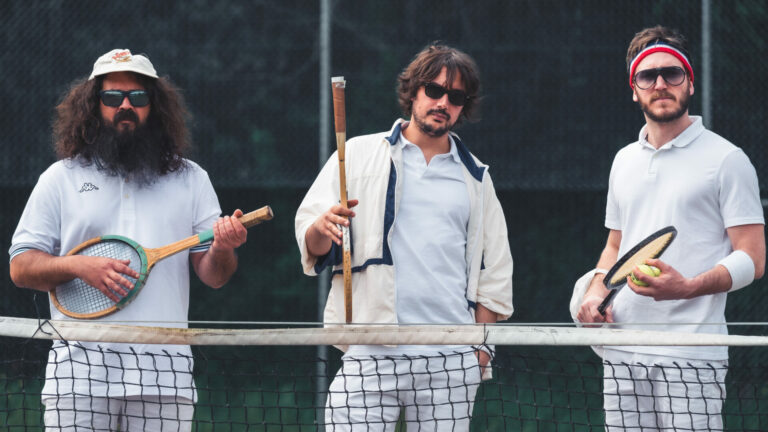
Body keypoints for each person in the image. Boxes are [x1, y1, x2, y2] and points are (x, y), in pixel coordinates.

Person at [9, 49, 249, 431]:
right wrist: (77, 266)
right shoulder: (59, 178)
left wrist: (223, 247)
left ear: (155, 106)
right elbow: (21, 266)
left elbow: (214, 275)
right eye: (112, 97)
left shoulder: (191, 178)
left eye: (137, 97)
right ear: (92, 104)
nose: (125, 106)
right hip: (77, 379)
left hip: (164, 380)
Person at [295, 44, 513, 430]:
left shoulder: (477, 177)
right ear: (413, 91)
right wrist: (321, 228)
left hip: (450, 356)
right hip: (370, 348)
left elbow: (496, 269)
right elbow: (312, 243)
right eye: (434, 90)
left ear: (464, 106)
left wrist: (480, 347)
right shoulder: (357, 155)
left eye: (456, 96)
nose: (443, 101)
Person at [576, 26, 765, 430]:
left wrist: (689, 287)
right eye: (648, 76)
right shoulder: (623, 160)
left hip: (693, 355)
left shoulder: (727, 159)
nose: (660, 83)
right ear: (634, 89)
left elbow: (753, 256)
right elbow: (616, 246)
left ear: (689, 82)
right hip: (623, 350)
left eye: (672, 73)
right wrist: (596, 292)